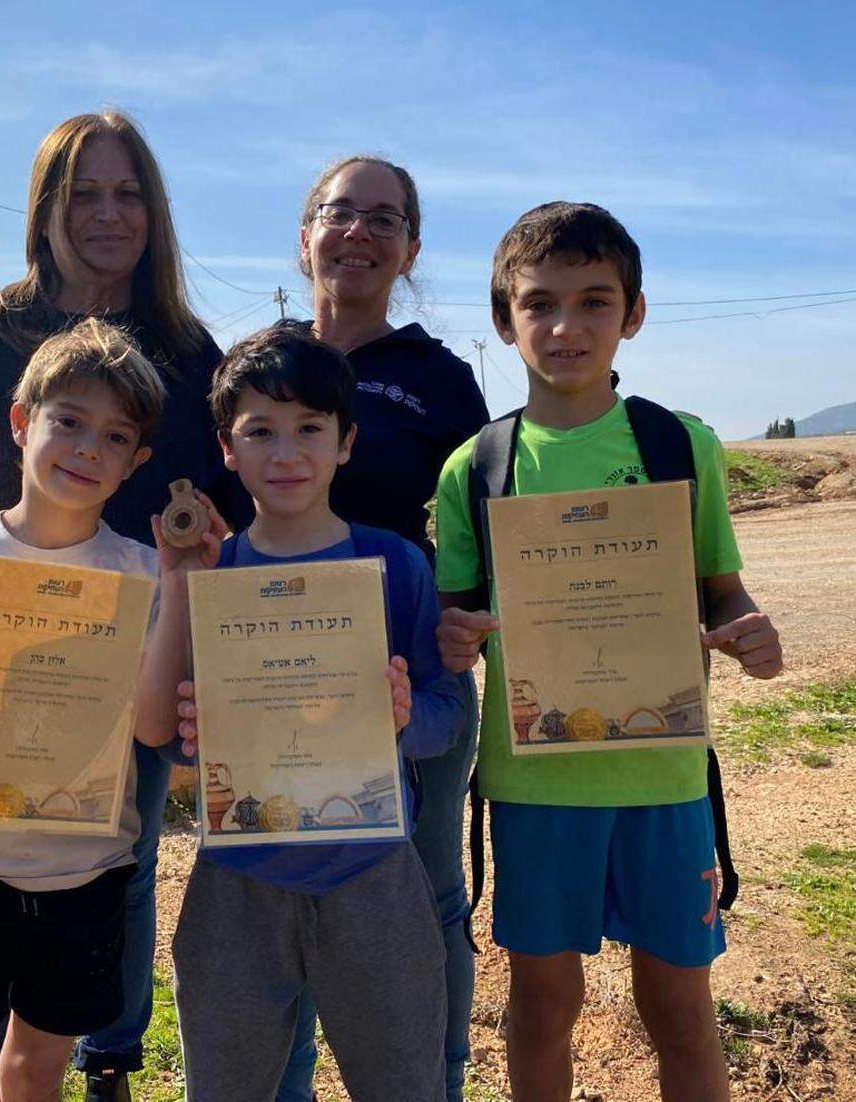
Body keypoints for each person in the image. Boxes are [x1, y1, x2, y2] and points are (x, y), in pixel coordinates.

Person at [0, 110, 243, 1102]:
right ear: (45, 209)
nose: (108, 214)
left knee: (122, 856)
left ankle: (102, 1057)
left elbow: (220, 513)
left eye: (128, 193)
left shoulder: (188, 352)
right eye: (85, 194)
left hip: (128, 671)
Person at [433, 201, 783, 1102]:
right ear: (504, 317)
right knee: (543, 1009)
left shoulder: (680, 445)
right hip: (535, 785)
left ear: (633, 313)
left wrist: (750, 632)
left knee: (680, 1012)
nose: (565, 326)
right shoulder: (476, 466)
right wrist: (454, 640)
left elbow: (722, 589)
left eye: (594, 301)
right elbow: (456, 625)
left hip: (665, 779)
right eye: (539, 303)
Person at [0, 319, 223, 1102]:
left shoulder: (140, 572)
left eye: (114, 435)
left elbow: (152, 730)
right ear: (21, 422)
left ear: (136, 463)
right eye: (68, 421)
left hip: (84, 873)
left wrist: (177, 585)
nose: (87, 448)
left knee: (35, 1072)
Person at [147, 324, 465, 1101]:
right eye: (260, 432)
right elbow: (168, 741)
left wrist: (401, 716)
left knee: (402, 1083)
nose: (286, 453)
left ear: (346, 442)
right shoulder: (211, 573)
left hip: (374, 873)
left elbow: (447, 711)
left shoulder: (394, 563)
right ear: (227, 447)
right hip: (237, 879)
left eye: (309, 430)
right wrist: (194, 736)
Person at [285, 156, 490, 1102]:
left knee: (430, 891)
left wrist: (465, 622)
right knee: (274, 883)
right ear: (305, 233)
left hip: (407, 677)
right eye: (338, 213)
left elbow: (484, 528)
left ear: (411, 248)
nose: (357, 233)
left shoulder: (439, 379)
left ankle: (436, 1077)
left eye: (382, 219)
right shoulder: (262, 361)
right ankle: (279, 1081)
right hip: (276, 678)